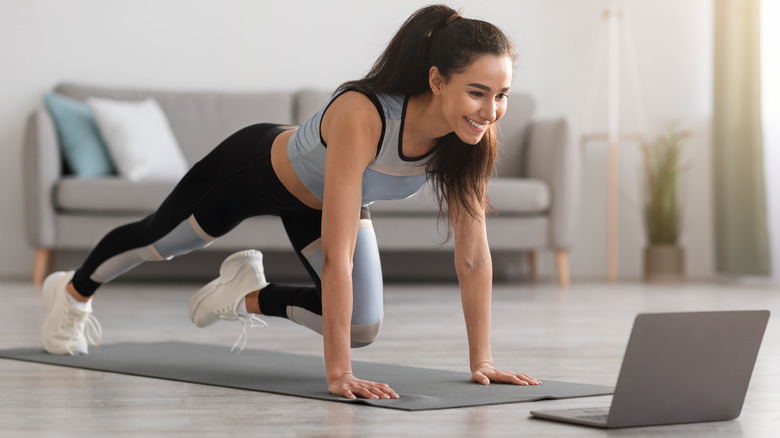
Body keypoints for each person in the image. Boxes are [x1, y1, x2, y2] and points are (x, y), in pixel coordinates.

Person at [40, 4, 541, 400]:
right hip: (253, 171)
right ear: (437, 81)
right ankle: (71, 294)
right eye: (479, 92)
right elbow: (340, 254)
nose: (491, 111)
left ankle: (243, 294)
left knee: (363, 326)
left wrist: (483, 362)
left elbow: (473, 255)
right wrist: (340, 373)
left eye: (502, 95)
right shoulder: (363, 114)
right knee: (159, 243)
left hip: (325, 203)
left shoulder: (470, 141)